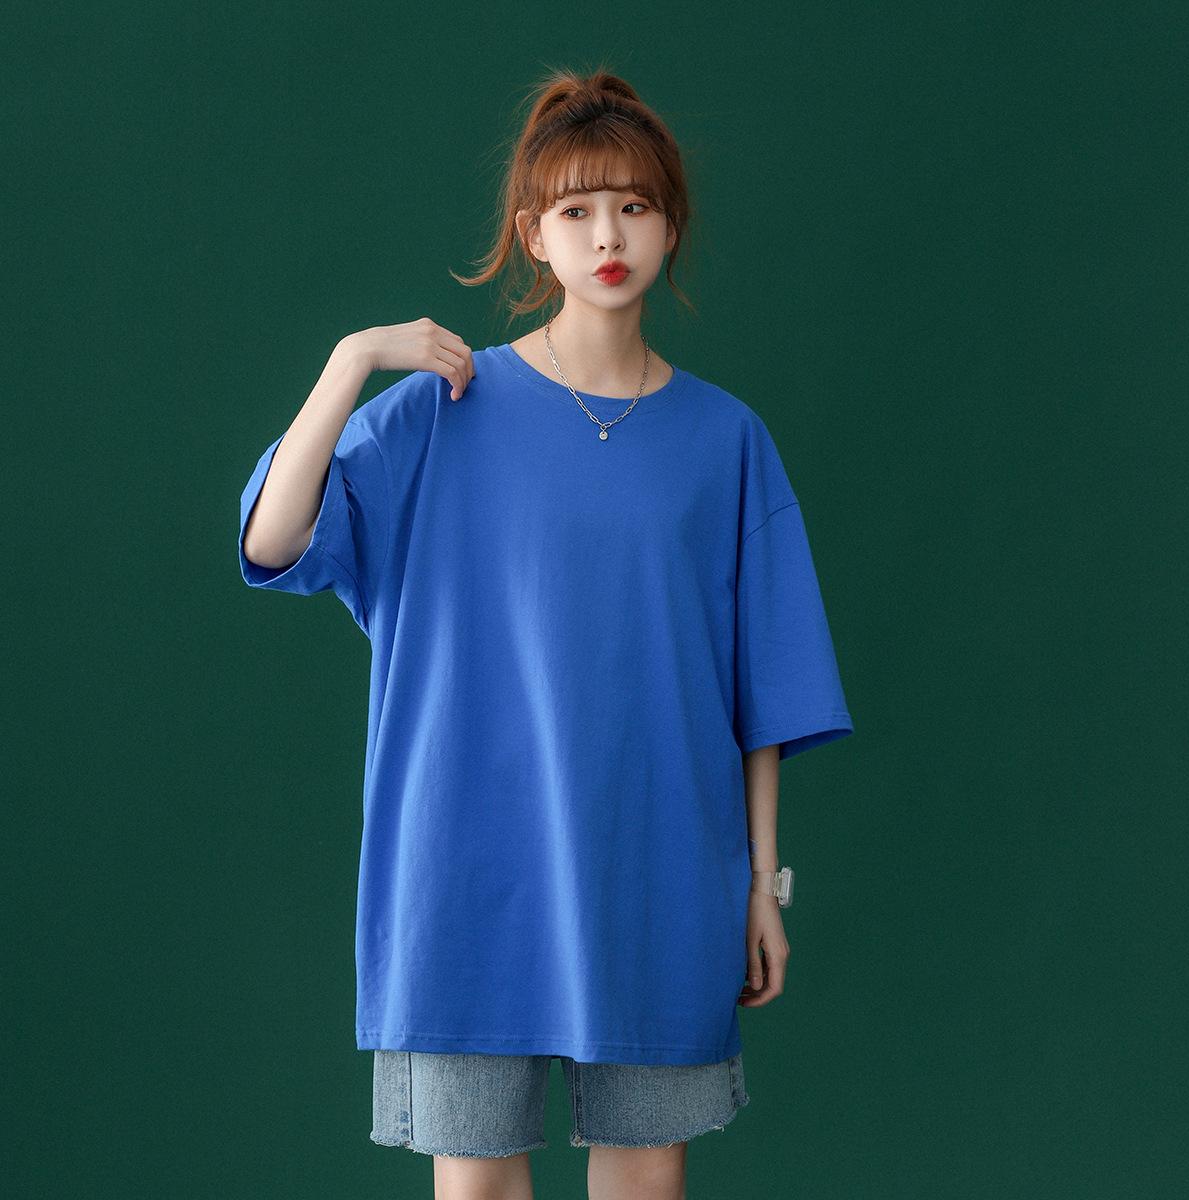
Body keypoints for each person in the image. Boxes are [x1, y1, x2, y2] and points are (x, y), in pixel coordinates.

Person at [238, 66, 853, 1200]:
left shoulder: (727, 441)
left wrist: (763, 888)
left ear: (670, 225)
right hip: (465, 868)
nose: (607, 235)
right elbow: (273, 539)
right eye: (576, 210)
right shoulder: (442, 409)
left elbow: (762, 685)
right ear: (534, 234)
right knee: (476, 1187)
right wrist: (350, 361)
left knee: (645, 1181)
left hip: (661, 864)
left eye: (634, 206)